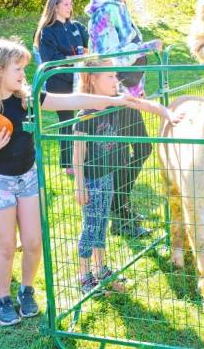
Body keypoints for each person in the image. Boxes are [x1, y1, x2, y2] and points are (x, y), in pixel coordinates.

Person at [0, 38, 136, 326]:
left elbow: (73, 100)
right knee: (6, 246)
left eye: (24, 69)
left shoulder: (26, 97)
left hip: (29, 179)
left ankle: (27, 290)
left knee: (33, 242)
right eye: (17, 69)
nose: (23, 75)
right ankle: (3, 299)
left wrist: (113, 100)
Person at [73, 59, 180, 294]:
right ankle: (84, 276)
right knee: (91, 228)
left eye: (115, 75)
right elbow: (77, 155)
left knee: (101, 226)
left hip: (108, 177)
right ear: (92, 79)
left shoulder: (118, 101)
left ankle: (100, 270)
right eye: (110, 76)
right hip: (92, 182)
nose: (116, 80)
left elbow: (146, 105)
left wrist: (167, 113)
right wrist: (80, 186)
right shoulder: (85, 114)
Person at [86, 0, 162, 238]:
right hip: (111, 94)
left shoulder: (117, 7)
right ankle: (119, 213)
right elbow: (110, 58)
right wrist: (145, 48)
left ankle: (120, 210)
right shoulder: (107, 10)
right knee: (134, 151)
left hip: (121, 93)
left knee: (136, 150)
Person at [34, 0, 89, 175]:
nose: (70, 7)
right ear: (55, 6)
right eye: (66, 4)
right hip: (60, 82)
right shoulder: (47, 31)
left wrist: (83, 56)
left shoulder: (77, 27)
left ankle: (86, 157)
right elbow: (50, 58)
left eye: (71, 3)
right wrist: (73, 58)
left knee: (85, 118)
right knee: (67, 122)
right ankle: (68, 165)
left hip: (80, 79)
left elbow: (89, 48)